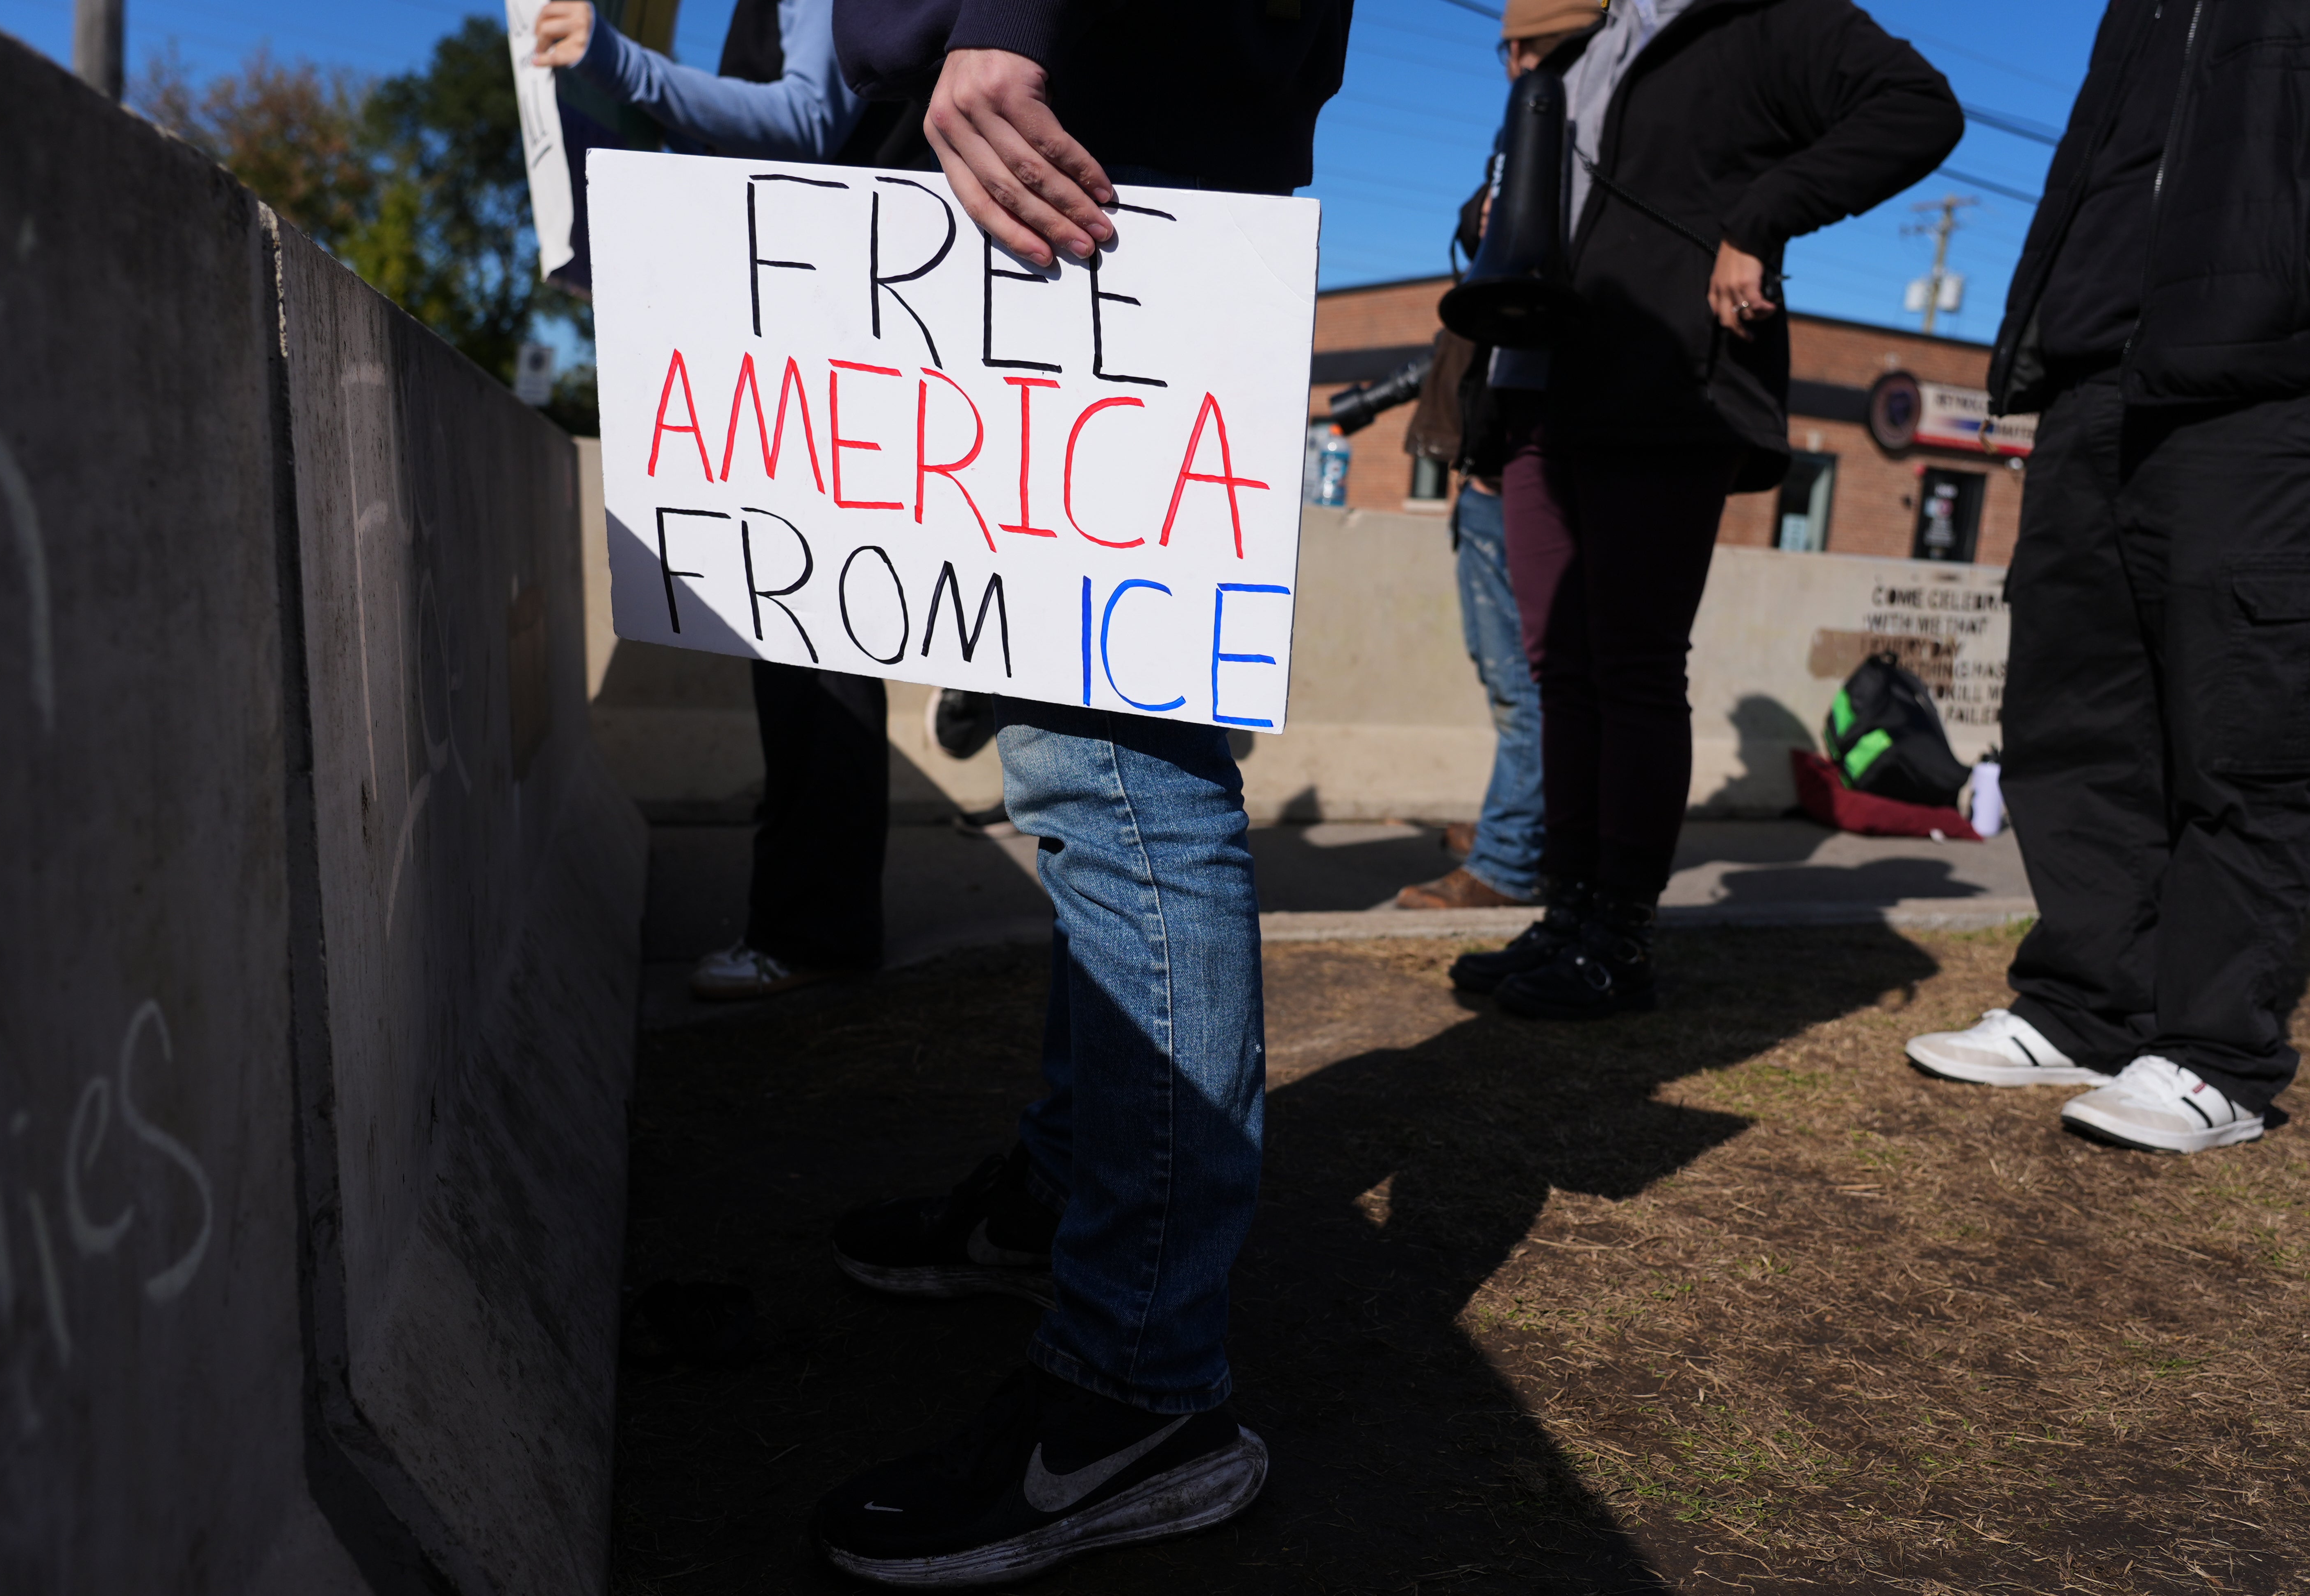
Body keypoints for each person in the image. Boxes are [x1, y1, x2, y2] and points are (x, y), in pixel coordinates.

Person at [805, 1, 1349, 1584]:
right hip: (1077, 141)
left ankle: (1137, 1387)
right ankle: (1062, 1206)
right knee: (1077, 768)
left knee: (1111, 761)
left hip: (1094, 142)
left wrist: (1005, 14)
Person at [1445, 0, 1960, 1019]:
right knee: (1562, 669)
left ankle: (1616, 937)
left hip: (1669, 384)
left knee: (1631, 665)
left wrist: (1761, 217)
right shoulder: (1587, 48)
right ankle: (1566, 913)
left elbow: (1919, 109)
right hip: (1547, 386)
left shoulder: (1767, 20)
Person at [1905, 0, 2309, 1155]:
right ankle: (2084, 1005)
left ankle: (2217, 1051)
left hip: (2262, 376)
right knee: (2072, 714)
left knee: (2245, 732)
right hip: (2094, 369)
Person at [533, 0, 915, 1002]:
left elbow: (804, 124)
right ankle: (816, 903)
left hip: (825, 307)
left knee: (810, 639)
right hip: (828, 299)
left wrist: (616, 65)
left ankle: (815, 925)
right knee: (811, 637)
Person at [1392, 2, 1600, 914]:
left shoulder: (1566, 139)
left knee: (1527, 684)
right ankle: (1521, 823)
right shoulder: (1541, 145)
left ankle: (1514, 861)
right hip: (1499, 453)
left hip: (1522, 457)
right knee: (1513, 676)